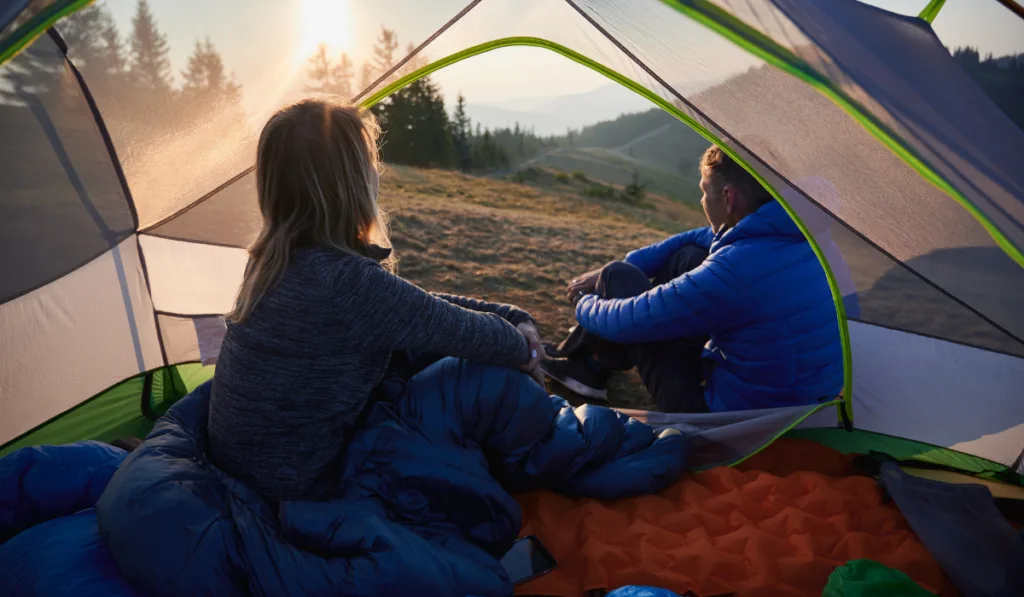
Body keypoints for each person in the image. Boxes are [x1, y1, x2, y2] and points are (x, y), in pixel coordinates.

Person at [207, 98, 546, 502]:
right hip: (302, 483)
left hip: (253, 464)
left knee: (420, 357)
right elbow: (465, 332)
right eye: (371, 163)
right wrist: (522, 342)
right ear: (351, 184)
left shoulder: (274, 260)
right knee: (488, 376)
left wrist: (510, 314)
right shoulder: (343, 281)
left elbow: (421, 310)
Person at [542, 144, 843, 413]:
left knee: (617, 278)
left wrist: (585, 302)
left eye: (704, 190)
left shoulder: (732, 270)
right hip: (802, 403)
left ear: (728, 197)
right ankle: (590, 367)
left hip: (726, 419)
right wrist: (634, 261)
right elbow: (706, 236)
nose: (701, 200)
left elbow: (628, 319)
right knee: (688, 254)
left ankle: (583, 362)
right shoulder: (806, 235)